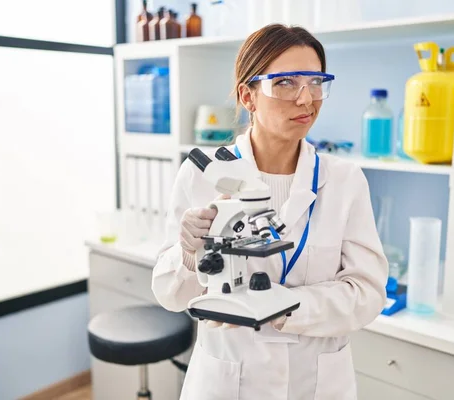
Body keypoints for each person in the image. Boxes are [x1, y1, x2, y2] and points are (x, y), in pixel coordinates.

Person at [152, 24, 388, 400]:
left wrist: (284, 306)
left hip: (316, 383)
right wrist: (187, 256)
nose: (306, 100)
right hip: (227, 381)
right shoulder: (203, 173)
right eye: (285, 84)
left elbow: (367, 293)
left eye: (315, 83)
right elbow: (172, 296)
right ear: (248, 96)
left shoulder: (344, 180)